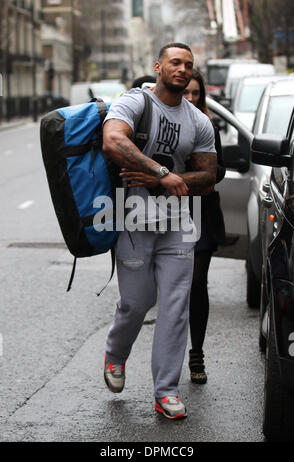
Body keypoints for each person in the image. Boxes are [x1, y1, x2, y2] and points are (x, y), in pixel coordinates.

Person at [102, 43, 217, 419]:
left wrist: (171, 178)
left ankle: (165, 390)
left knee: (174, 306)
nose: (182, 69)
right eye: (175, 62)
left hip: (180, 223)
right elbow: (113, 139)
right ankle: (116, 355)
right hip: (134, 217)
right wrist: (161, 173)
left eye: (188, 64)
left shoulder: (198, 120)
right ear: (157, 66)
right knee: (136, 302)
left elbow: (209, 175)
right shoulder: (135, 102)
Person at [183, 69, 226, 384]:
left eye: (196, 93)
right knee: (172, 288)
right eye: (186, 92)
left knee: (198, 283)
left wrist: (203, 173)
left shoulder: (208, 126)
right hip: (169, 210)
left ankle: (196, 353)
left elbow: (219, 168)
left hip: (201, 211)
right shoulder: (166, 124)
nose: (191, 98)